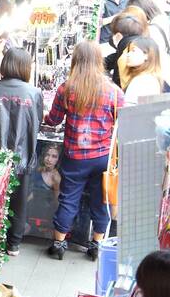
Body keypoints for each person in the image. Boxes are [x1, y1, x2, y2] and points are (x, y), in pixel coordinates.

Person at [44, 40, 124, 261]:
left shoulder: (67, 89)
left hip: (75, 157)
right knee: (100, 201)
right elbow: (123, 123)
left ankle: (59, 243)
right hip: (103, 157)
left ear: (75, 61)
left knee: (69, 199)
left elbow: (54, 119)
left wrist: (45, 117)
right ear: (99, 61)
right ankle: (96, 244)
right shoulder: (114, 92)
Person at [0, 46, 42, 255]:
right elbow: (37, 123)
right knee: (18, 199)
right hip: (22, 156)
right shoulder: (34, 93)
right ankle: (13, 244)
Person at [120, 36, 168, 105]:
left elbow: (130, 110)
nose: (128, 54)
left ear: (147, 55)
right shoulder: (150, 78)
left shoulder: (143, 80)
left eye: (133, 51)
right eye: (129, 51)